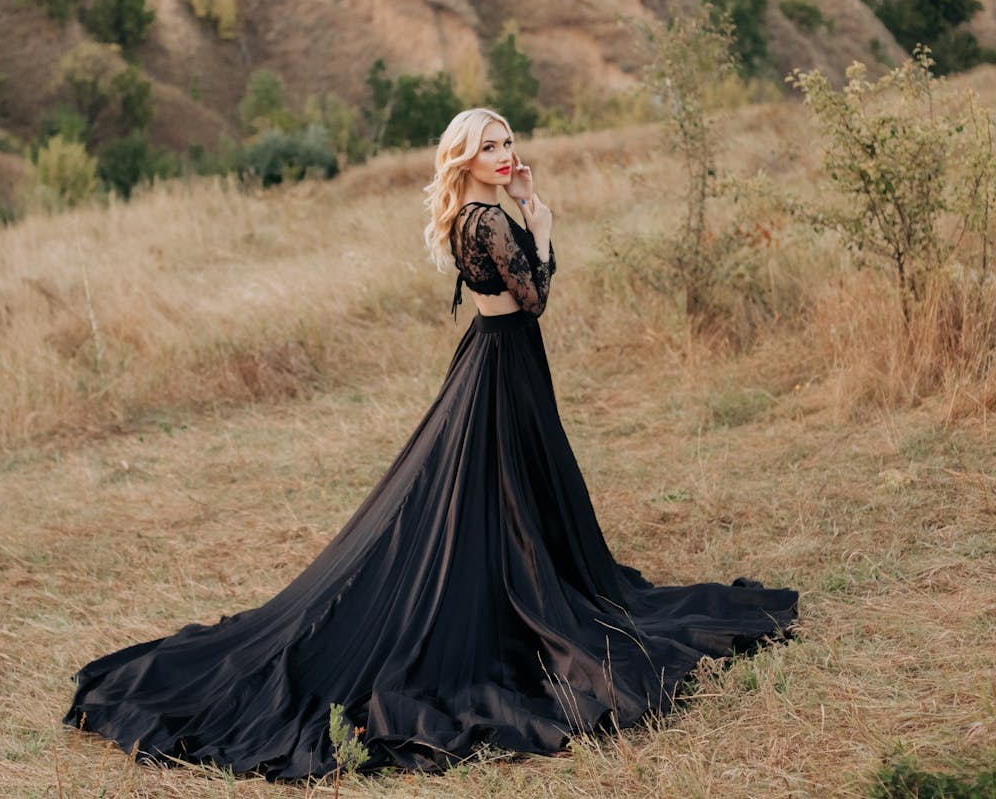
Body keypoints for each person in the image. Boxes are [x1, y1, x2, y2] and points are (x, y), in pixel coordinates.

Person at [63, 107, 799, 781]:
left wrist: (529, 222)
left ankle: (519, 570)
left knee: (500, 486)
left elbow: (515, 301)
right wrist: (540, 227)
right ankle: (515, 589)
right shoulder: (491, 223)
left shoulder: (467, 217)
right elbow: (534, 301)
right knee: (504, 483)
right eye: (489, 146)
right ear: (464, 158)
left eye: (508, 142)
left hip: (493, 356)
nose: (506, 154)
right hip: (506, 361)